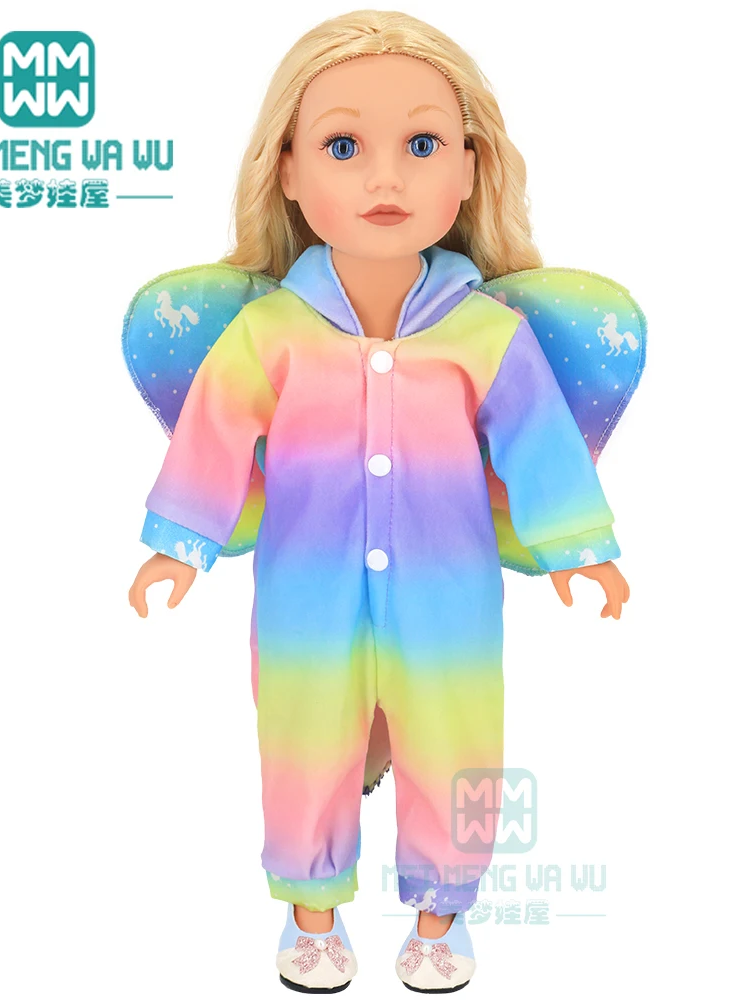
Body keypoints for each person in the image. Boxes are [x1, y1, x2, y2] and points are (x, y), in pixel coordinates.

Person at [127, 10, 630, 992]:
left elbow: (539, 445)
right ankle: (311, 915)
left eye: (423, 144)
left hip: (449, 598)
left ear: (470, 169)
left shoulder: (485, 334)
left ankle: (442, 918)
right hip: (305, 596)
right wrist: (176, 542)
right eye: (344, 146)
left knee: (456, 740)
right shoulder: (269, 332)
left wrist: (581, 548)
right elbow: (213, 435)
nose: (385, 179)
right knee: (303, 741)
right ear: (287, 171)